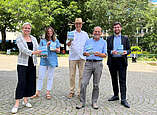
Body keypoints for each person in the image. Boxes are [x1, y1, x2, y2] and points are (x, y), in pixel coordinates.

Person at [11, 22, 41, 114]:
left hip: (32, 64)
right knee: (21, 82)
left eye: (29, 28)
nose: (27, 30)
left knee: (30, 82)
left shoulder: (33, 38)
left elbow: (37, 48)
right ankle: (16, 104)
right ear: (22, 29)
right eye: (25, 28)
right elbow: (23, 50)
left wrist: (40, 51)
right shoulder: (19, 38)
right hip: (22, 64)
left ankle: (25, 100)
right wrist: (33, 53)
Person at [76, 26, 107, 109]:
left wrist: (99, 54)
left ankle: (94, 102)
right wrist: (86, 54)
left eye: (98, 32)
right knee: (83, 83)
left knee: (96, 85)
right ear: (93, 32)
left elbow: (105, 55)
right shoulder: (88, 41)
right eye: (95, 31)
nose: (97, 33)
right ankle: (82, 102)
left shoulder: (104, 42)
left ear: (101, 33)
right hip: (88, 64)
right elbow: (84, 53)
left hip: (98, 64)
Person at [31, 26, 60, 99]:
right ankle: (37, 92)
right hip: (44, 60)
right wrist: (46, 46)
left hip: (52, 60)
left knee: (50, 77)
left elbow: (59, 50)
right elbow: (39, 50)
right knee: (41, 76)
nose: (50, 33)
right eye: (48, 32)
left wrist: (55, 49)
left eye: (51, 31)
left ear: (53, 32)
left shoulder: (56, 40)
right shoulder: (42, 40)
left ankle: (48, 92)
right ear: (46, 33)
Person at [107, 22, 131, 108]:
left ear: (121, 28)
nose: (116, 29)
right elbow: (107, 49)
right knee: (114, 79)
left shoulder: (125, 38)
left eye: (118, 27)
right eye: (115, 27)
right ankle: (116, 95)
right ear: (113, 29)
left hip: (122, 61)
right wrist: (111, 52)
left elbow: (129, 49)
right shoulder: (109, 38)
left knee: (122, 80)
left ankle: (123, 99)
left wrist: (126, 52)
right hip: (112, 61)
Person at [67, 18, 89, 98]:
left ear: (81, 24)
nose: (78, 25)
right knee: (72, 75)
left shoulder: (85, 34)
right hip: (73, 57)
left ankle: (80, 92)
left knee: (81, 76)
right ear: (75, 24)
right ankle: (71, 91)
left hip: (82, 57)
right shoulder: (71, 33)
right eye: (77, 23)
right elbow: (68, 44)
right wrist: (69, 41)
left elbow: (87, 45)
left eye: (79, 23)